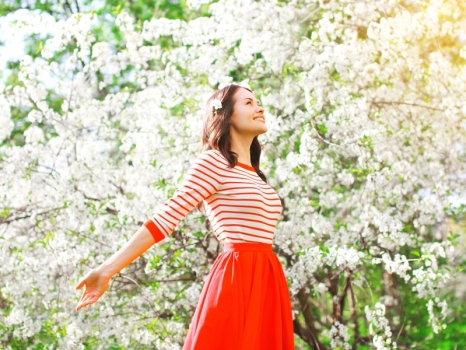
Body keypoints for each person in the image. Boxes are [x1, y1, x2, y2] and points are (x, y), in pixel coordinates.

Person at [75, 84, 295, 349]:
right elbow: (165, 219)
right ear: (225, 115)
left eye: (258, 102)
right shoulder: (213, 162)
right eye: (248, 103)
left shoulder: (255, 174)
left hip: (268, 277)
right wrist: (106, 270)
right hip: (237, 278)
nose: (259, 108)